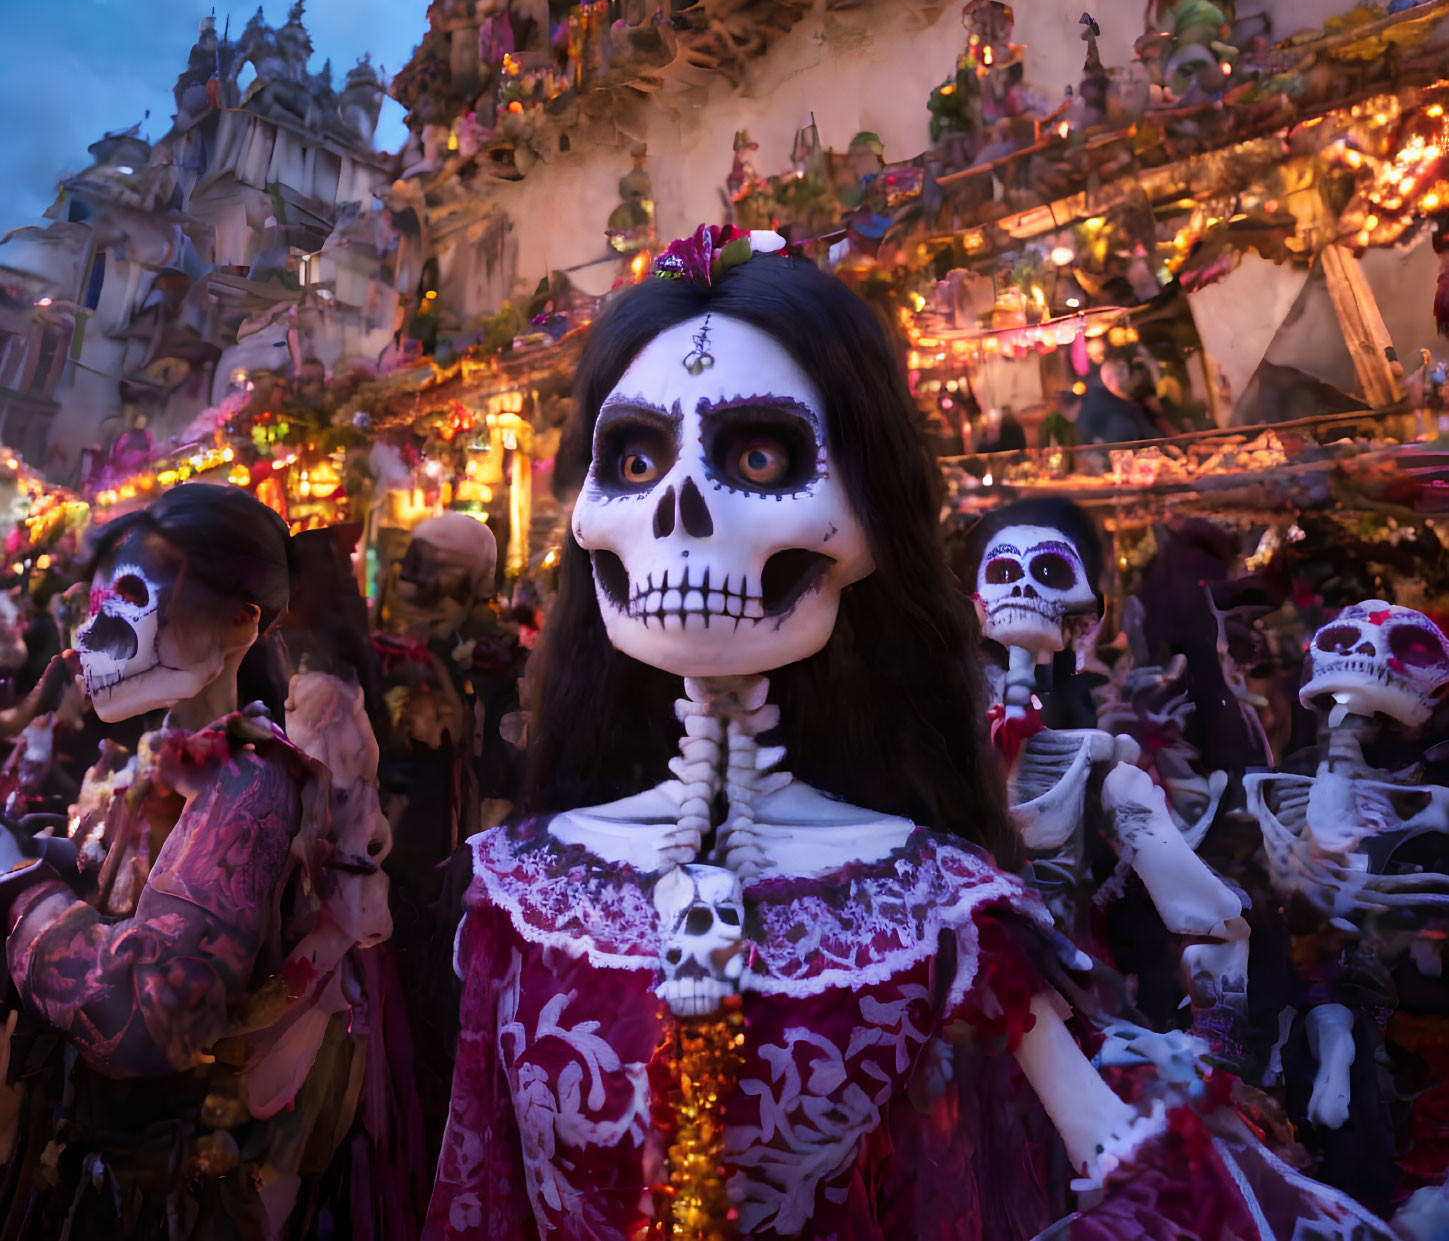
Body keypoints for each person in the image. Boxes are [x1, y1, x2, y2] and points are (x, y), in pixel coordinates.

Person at [425, 235, 1395, 1240]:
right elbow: (476, 1185)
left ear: (870, 517)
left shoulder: (946, 912)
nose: (683, 514)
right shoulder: (517, 895)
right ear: (588, 510)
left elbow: (1132, 1169)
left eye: (759, 457)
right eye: (633, 460)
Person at [0, 483, 413, 1240]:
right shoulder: (156, 759)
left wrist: (21, 885)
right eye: (91, 609)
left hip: (174, 1184)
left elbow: (143, 1017)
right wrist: (63, 859)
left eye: (130, 599)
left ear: (237, 621)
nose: (91, 639)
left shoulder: (248, 779)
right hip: (96, 1151)